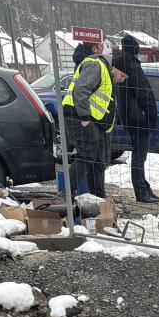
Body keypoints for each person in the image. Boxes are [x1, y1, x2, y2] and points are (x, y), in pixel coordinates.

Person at [62, 40, 114, 202]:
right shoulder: (94, 64)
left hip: (85, 116)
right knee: (86, 155)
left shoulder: (99, 66)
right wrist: (84, 118)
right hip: (79, 115)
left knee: (96, 159)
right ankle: (67, 194)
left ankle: (98, 197)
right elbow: (81, 90)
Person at [113, 34, 159, 203]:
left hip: (129, 117)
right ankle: (141, 191)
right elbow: (143, 93)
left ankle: (144, 187)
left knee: (138, 155)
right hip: (139, 118)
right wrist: (151, 114)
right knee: (139, 156)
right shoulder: (132, 67)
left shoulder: (118, 65)